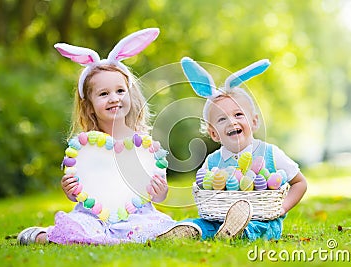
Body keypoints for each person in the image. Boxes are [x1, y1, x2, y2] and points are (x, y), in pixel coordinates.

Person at [17, 28, 176, 245]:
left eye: (120, 91)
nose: (114, 98)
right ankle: (45, 235)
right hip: (94, 216)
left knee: (157, 227)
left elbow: (156, 194)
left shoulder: (145, 145)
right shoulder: (83, 148)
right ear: (90, 107)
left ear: (130, 95)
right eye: (103, 94)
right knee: (79, 225)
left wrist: (160, 192)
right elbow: (82, 190)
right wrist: (70, 190)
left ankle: (106, 238)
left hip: (136, 216)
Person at [158, 57, 307, 240]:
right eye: (221, 119)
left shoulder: (270, 153)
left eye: (238, 114)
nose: (231, 121)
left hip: (262, 219)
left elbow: (300, 183)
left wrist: (281, 208)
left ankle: (241, 232)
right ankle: (191, 230)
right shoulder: (212, 162)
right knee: (205, 224)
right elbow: (203, 188)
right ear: (214, 134)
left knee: (260, 227)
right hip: (219, 219)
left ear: (254, 122)